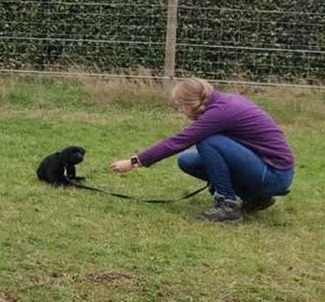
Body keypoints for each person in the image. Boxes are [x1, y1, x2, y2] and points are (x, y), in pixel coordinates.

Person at [111, 77, 295, 223]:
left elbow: (177, 142)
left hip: (273, 175)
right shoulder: (222, 102)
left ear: (191, 102)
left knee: (209, 141)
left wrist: (133, 162)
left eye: (180, 106)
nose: (180, 110)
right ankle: (255, 197)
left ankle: (227, 205)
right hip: (267, 168)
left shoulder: (219, 112)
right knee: (187, 161)